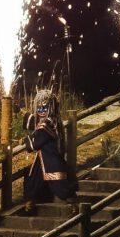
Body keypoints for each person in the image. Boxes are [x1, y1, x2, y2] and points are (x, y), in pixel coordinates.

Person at [22, 88, 77, 216]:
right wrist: (20, 112)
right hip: (42, 159)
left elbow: (36, 142)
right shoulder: (50, 120)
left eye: (44, 108)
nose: (41, 111)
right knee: (32, 178)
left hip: (51, 159)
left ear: (50, 108)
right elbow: (35, 122)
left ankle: (74, 203)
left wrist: (25, 141)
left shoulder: (48, 124)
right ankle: (30, 204)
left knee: (59, 181)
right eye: (39, 108)